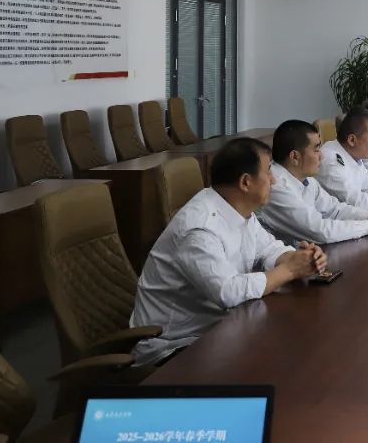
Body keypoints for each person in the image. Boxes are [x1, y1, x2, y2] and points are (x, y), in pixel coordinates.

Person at [129, 137, 327, 365]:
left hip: (217, 329)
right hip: (173, 348)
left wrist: (299, 257)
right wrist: (290, 270)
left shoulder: (238, 208)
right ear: (245, 182)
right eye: (268, 171)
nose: (274, 180)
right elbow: (227, 292)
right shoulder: (199, 228)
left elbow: (268, 247)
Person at [258, 119, 368, 245]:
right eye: (316, 149)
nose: (321, 155)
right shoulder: (275, 186)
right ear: (295, 157)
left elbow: (334, 210)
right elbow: (320, 231)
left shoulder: (307, 180)